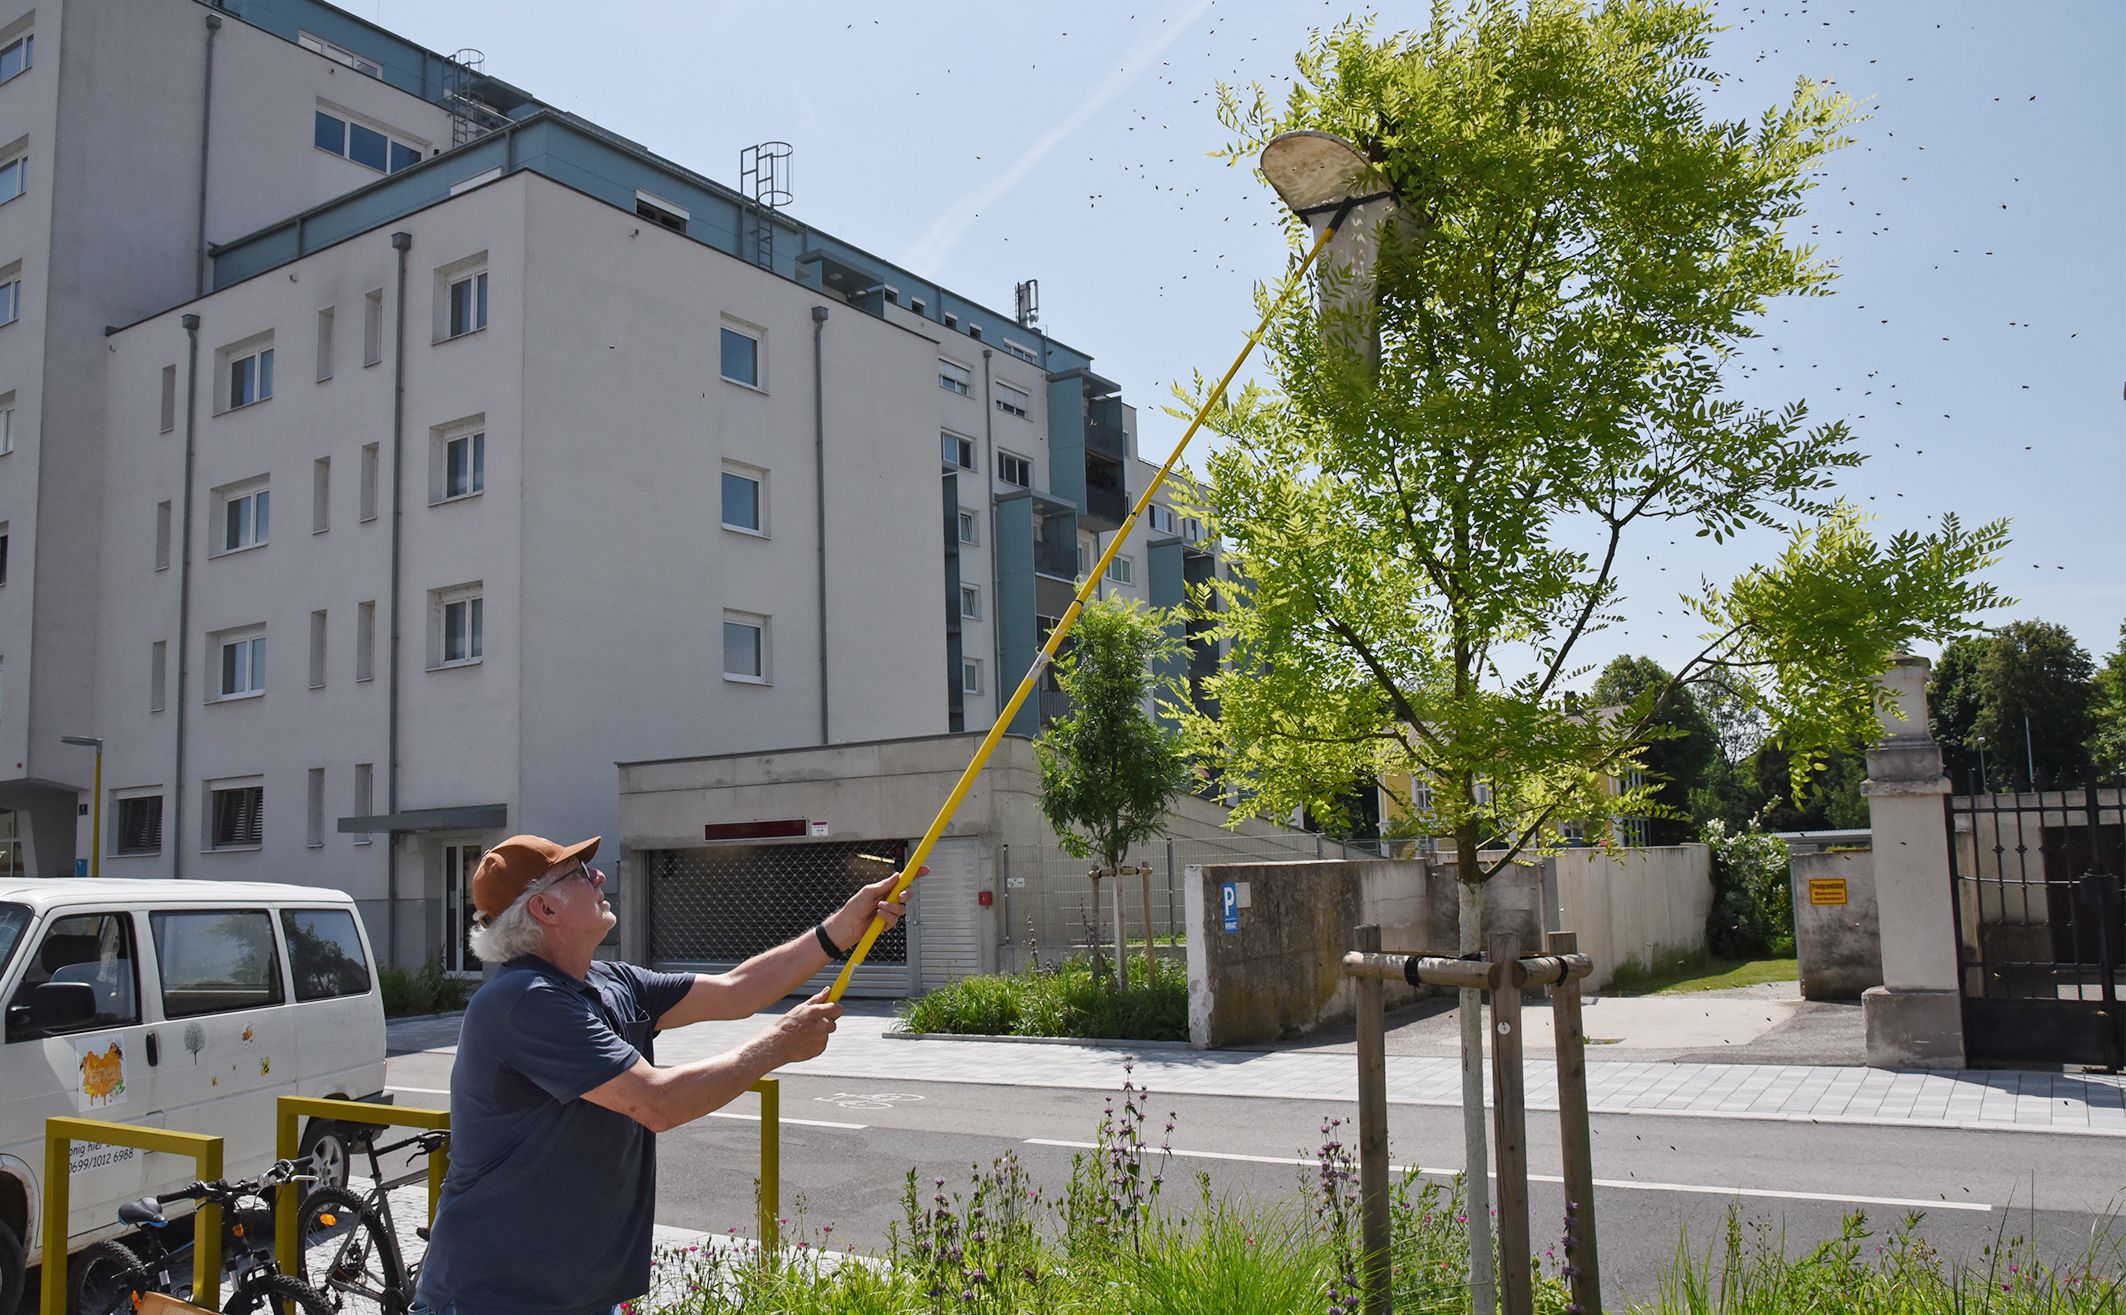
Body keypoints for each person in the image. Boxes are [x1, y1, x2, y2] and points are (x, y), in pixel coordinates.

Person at [409, 833, 918, 1315]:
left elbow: (737, 990)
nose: (599, 878)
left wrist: (841, 930)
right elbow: (655, 1102)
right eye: (581, 873)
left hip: (576, 1292)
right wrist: (778, 1046)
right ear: (544, 908)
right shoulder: (525, 1002)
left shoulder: (611, 981)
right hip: (497, 1298)